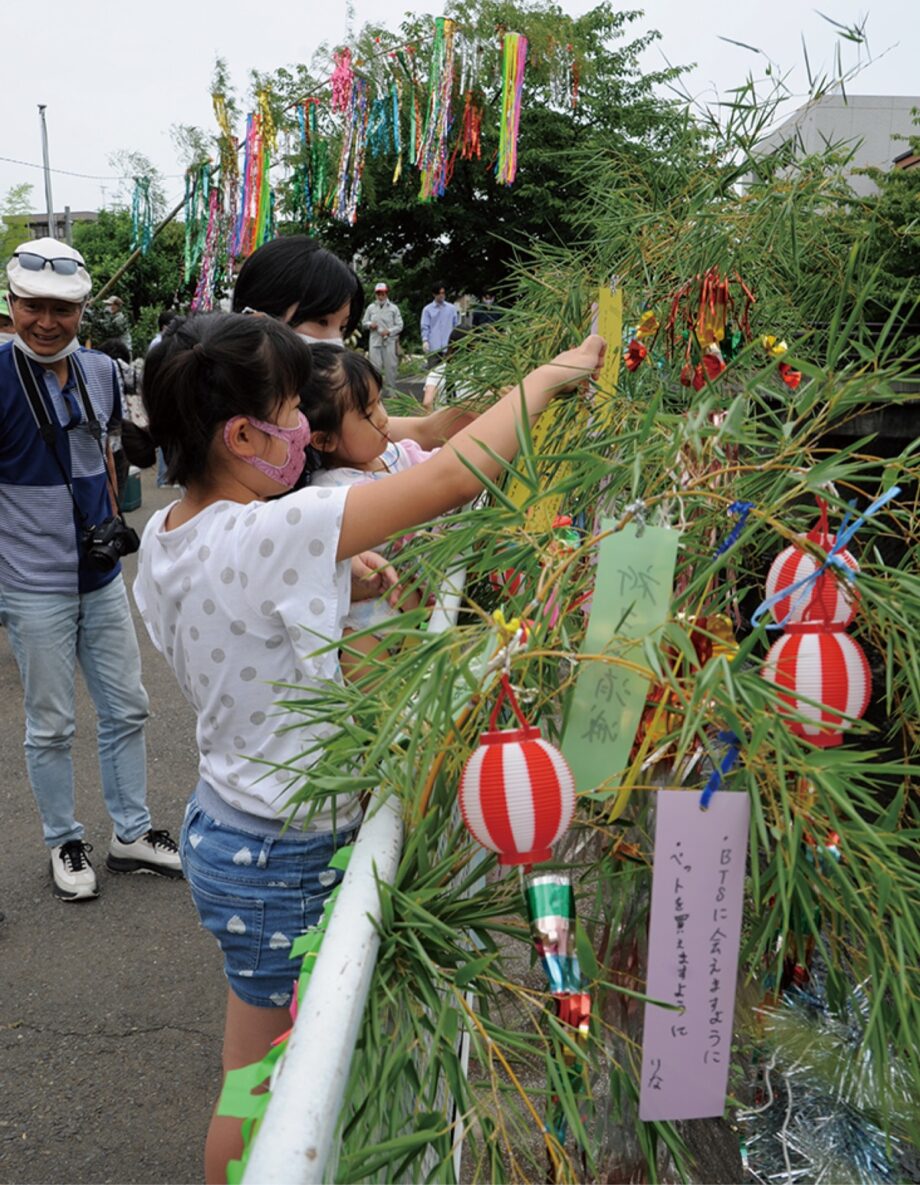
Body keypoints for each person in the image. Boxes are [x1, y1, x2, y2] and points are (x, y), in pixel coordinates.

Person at [135, 310, 604, 1183]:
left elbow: (241, 614)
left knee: (258, 1059)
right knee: (270, 1077)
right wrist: (545, 378)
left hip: (228, 822)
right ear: (243, 433)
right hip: (284, 848)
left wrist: (334, 571)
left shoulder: (167, 541)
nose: (303, 433)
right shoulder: (274, 529)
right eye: (289, 413)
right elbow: (455, 479)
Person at [0, 237, 182, 901]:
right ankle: (62, 838)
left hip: (100, 575)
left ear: (83, 310)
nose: (47, 320)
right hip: (31, 580)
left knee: (128, 706)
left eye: (63, 308)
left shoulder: (103, 371)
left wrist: (110, 517)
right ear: (12, 302)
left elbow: (112, 455)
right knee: (49, 723)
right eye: (32, 305)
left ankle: (130, 832)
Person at [231, 235, 472, 450]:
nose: (336, 343)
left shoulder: (318, 410)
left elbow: (425, 431)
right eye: (320, 321)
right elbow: (448, 479)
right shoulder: (243, 433)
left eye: (343, 327)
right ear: (258, 322)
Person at [361, 281, 403, 389]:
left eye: (383, 293)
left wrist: (389, 331)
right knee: (375, 368)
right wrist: (370, 324)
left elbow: (400, 325)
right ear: (376, 294)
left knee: (391, 367)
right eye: (378, 293)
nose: (381, 296)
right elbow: (364, 322)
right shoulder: (371, 308)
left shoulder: (393, 308)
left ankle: (392, 393)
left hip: (389, 341)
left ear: (386, 293)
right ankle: (376, 393)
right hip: (375, 341)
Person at [420, 281, 460, 366]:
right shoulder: (427, 310)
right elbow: (425, 326)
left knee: (449, 372)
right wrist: (425, 340)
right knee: (434, 372)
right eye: (439, 293)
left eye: (443, 293)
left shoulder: (451, 309)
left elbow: (456, 326)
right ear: (434, 294)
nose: (441, 295)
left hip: (449, 347)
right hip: (434, 347)